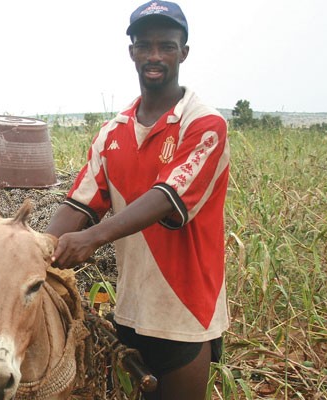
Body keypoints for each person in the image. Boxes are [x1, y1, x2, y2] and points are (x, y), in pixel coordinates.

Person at [46, 1, 230, 399]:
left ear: (184, 51)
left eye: (166, 45)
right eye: (144, 46)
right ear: (131, 52)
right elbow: (80, 204)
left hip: (184, 311)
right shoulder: (112, 132)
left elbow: (167, 197)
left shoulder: (204, 126)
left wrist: (92, 238)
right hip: (131, 309)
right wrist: (30, 248)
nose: (154, 56)